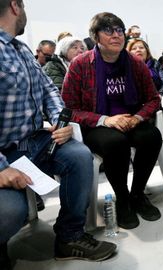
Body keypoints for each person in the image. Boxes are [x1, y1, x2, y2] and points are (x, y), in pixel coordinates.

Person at [0, 0, 116, 267]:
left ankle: (70, 236)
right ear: (15, 6)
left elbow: (49, 91)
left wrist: (59, 119)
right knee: (10, 212)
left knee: (78, 155)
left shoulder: (21, 49)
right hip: (3, 151)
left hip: (32, 142)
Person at [62, 12, 162, 230]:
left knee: (151, 136)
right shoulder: (80, 64)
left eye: (119, 30)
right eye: (108, 30)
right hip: (98, 124)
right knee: (115, 143)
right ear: (95, 37)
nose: (116, 35)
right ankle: (123, 198)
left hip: (129, 119)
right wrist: (105, 120)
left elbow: (154, 99)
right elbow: (68, 109)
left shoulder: (135, 63)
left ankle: (137, 194)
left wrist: (137, 117)